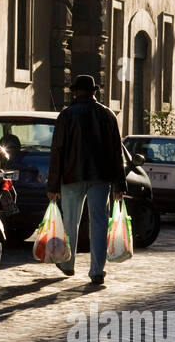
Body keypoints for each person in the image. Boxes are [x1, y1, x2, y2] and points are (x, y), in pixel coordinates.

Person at [45, 74, 125, 285]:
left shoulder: (66, 115)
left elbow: (58, 151)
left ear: (75, 92)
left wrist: (53, 184)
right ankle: (97, 271)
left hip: (71, 176)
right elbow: (116, 152)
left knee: (71, 220)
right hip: (101, 177)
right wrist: (119, 183)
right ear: (94, 92)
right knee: (99, 223)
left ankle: (68, 264)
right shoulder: (107, 115)